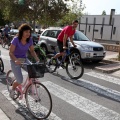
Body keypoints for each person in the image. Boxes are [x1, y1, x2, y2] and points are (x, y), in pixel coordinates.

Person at [9, 23, 39, 99]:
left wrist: (37, 59)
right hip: (14, 60)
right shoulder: (16, 40)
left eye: (29, 32)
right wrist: (15, 60)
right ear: (21, 32)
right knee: (19, 80)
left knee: (33, 71)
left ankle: (28, 87)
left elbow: (32, 51)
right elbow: (11, 52)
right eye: (26, 32)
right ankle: (12, 89)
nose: (28, 34)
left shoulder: (30, 40)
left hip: (24, 59)